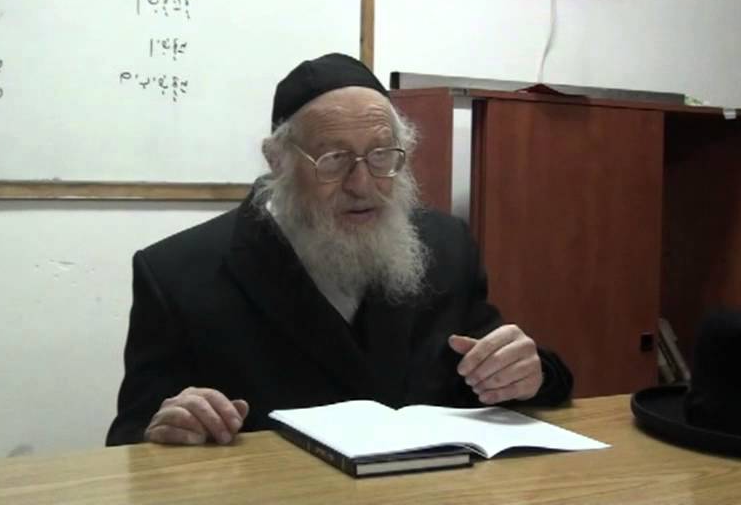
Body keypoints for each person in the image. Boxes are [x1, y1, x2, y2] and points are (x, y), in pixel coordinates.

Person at [106, 53, 573, 447]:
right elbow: (131, 439)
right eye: (334, 160)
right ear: (277, 161)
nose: (362, 184)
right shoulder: (177, 274)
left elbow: (496, 364)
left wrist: (529, 373)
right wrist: (168, 426)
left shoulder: (446, 246)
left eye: (382, 155)